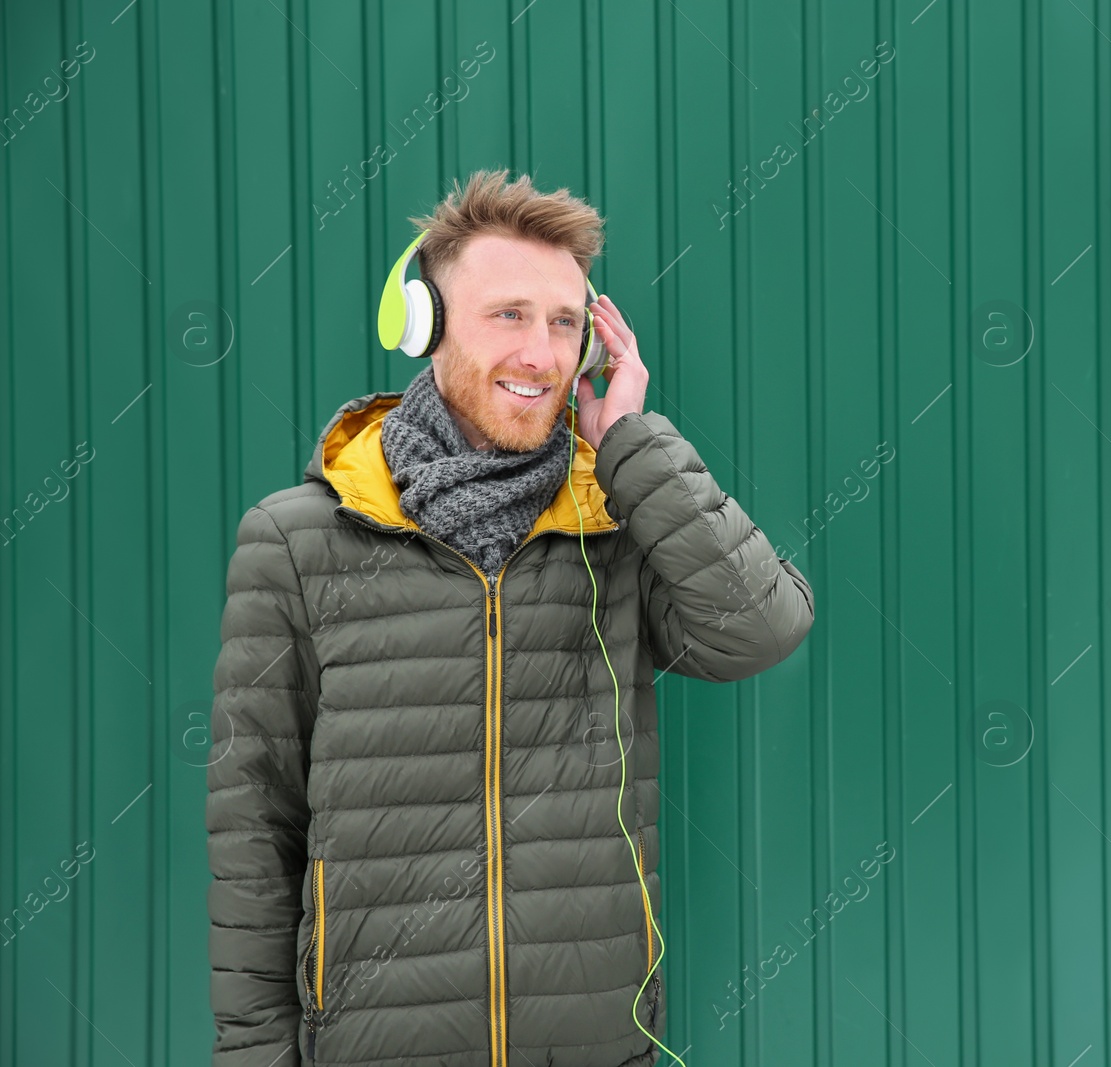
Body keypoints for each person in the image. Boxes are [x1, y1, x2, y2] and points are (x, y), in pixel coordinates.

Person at [206, 169, 815, 1066]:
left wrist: (633, 449)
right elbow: (254, 829)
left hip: (595, 1043)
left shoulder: (614, 522)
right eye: (508, 315)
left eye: (565, 322)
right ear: (424, 326)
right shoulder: (298, 541)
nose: (541, 353)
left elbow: (761, 628)